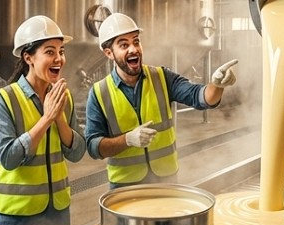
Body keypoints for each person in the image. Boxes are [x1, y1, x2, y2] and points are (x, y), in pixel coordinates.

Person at [84, 12, 239, 189]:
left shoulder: (161, 77)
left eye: (136, 41)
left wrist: (217, 84)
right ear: (109, 53)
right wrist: (127, 139)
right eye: (124, 45)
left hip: (167, 182)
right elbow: (94, 147)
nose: (133, 49)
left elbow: (200, 97)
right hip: (124, 188)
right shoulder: (99, 93)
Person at [0, 15, 85, 225]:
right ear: (28, 57)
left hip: (57, 210)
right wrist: (46, 119)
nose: (59, 58)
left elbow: (77, 152)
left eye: (61, 51)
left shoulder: (63, 97)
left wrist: (59, 118)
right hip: (16, 215)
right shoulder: (3, 100)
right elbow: (8, 158)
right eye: (50, 52)